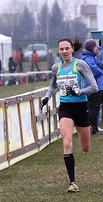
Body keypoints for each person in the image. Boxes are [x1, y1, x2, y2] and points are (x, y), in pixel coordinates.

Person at [39, 37, 98, 193]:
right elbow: (52, 87)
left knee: (85, 148)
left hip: (81, 107)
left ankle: (88, 130)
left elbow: (94, 86)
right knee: (66, 143)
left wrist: (79, 92)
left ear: (72, 49)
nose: (64, 51)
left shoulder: (80, 65)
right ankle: (72, 182)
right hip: (65, 108)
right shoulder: (56, 68)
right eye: (61, 49)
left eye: (67, 48)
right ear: (58, 51)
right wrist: (46, 98)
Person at [80, 39, 103, 135]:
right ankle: (93, 129)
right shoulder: (88, 59)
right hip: (95, 87)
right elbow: (96, 71)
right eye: (95, 46)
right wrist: (102, 69)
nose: (96, 48)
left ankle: (94, 127)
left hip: (96, 86)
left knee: (94, 107)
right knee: (93, 108)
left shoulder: (90, 58)